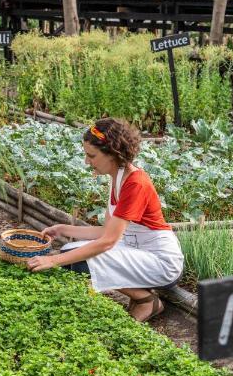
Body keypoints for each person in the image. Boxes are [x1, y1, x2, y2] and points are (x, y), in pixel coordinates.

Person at [27, 118, 183, 322]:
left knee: (78, 262)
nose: (86, 161)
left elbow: (108, 241)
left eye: (91, 155)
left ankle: (146, 301)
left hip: (161, 262)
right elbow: (106, 232)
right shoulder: (118, 176)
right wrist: (63, 229)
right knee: (69, 252)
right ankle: (140, 298)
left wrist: (52, 260)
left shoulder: (136, 183)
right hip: (138, 251)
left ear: (112, 153)